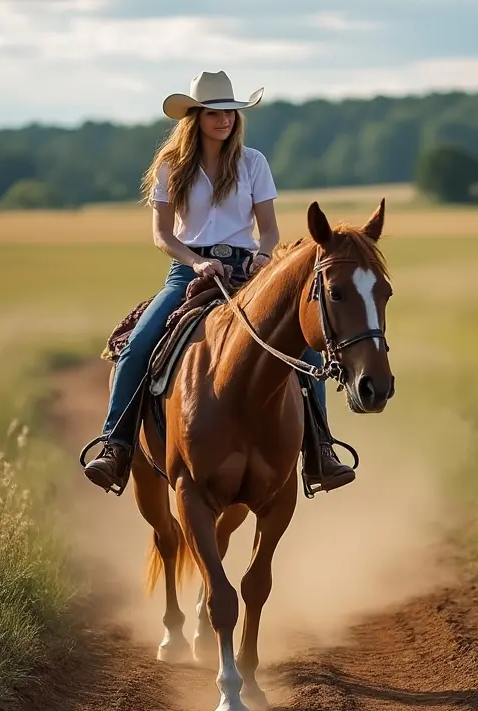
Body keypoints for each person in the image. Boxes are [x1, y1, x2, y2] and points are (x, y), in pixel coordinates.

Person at [83, 70, 355, 495]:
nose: (225, 119)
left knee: (304, 350)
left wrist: (264, 255)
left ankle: (321, 452)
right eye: (215, 112)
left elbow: (268, 229)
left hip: (249, 271)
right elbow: (163, 236)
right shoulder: (171, 167)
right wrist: (195, 263)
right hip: (188, 272)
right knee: (137, 345)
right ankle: (115, 447)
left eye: (230, 111)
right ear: (194, 116)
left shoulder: (254, 163)